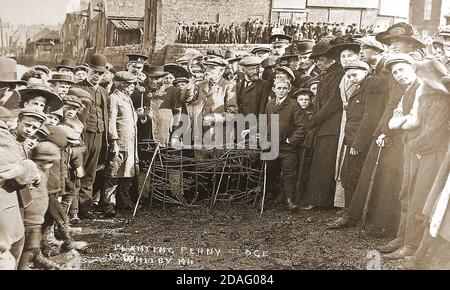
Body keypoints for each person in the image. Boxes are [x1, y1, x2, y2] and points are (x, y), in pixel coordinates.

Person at [385, 60, 450, 261]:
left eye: (423, 77)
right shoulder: (424, 96)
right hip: (420, 152)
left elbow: (434, 133)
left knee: (420, 198)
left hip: (433, 157)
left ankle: (413, 246)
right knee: (408, 193)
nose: (420, 80)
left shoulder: (441, 100)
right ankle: (404, 239)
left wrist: (412, 146)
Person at [303, 37, 345, 210]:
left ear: (331, 58)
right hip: (324, 125)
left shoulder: (338, 74)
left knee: (325, 163)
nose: (318, 63)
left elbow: (333, 103)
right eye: (316, 60)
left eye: (320, 59)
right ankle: (317, 200)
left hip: (331, 125)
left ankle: (322, 202)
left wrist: (314, 120)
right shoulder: (327, 74)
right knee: (320, 162)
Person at [100, 72, 140, 217]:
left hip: (130, 142)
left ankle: (124, 201)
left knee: (128, 172)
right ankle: (109, 204)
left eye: (132, 84)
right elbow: (111, 121)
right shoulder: (114, 98)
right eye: (129, 84)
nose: (131, 87)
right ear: (121, 84)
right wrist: (114, 141)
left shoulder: (127, 99)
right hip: (120, 141)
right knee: (113, 173)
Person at [74, 54, 109, 219]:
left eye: (100, 74)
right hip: (83, 134)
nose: (97, 76)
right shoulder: (78, 88)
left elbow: (105, 113)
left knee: (91, 172)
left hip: (99, 134)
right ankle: (74, 208)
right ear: (87, 69)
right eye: (94, 72)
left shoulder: (103, 90)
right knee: (78, 169)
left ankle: (85, 207)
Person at [19, 140, 61, 270]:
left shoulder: (42, 173)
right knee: (26, 248)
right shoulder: (33, 174)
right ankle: (22, 267)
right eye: (50, 162)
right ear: (43, 160)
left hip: (37, 217)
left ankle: (35, 261)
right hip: (29, 218)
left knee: (32, 245)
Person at [265, 79, 306, 210]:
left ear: (288, 90)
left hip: (287, 148)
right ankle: (274, 198)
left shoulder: (294, 105)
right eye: (279, 88)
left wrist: (291, 140)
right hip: (272, 146)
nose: (281, 91)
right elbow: (266, 123)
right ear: (274, 89)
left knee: (289, 173)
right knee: (271, 172)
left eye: (284, 88)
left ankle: (290, 200)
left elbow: (302, 126)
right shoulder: (270, 104)